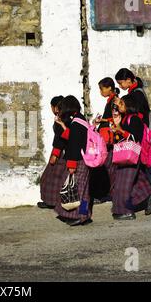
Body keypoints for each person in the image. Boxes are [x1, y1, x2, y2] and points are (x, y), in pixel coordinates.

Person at [110, 95, 151, 220]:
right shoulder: (125, 119)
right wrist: (117, 128)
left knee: (124, 182)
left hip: (132, 155)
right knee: (138, 180)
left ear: (129, 106)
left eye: (121, 104)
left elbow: (134, 138)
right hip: (128, 154)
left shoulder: (135, 119)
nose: (119, 106)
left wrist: (120, 130)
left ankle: (125, 211)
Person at [115, 68, 151, 189]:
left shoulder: (137, 94)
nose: (120, 85)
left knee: (144, 161)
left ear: (128, 80)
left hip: (140, 132)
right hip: (138, 131)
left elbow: (138, 113)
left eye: (121, 82)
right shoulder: (133, 92)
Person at [53, 95, 92, 226]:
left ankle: (77, 217)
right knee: (85, 191)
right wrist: (63, 126)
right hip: (84, 159)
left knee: (78, 190)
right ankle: (84, 215)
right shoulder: (80, 119)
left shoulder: (76, 123)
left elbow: (74, 145)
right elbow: (75, 138)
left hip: (78, 160)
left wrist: (71, 164)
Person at [89, 77, 120, 202]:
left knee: (108, 167)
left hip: (110, 139)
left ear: (109, 88)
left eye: (102, 89)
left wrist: (103, 120)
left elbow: (116, 118)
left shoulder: (114, 101)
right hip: (106, 137)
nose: (101, 92)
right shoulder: (110, 101)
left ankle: (109, 193)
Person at [38, 96, 68, 209]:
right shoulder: (63, 118)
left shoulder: (61, 120)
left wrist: (55, 154)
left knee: (54, 177)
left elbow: (59, 139)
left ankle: (53, 202)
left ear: (55, 107)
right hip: (60, 150)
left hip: (60, 151)